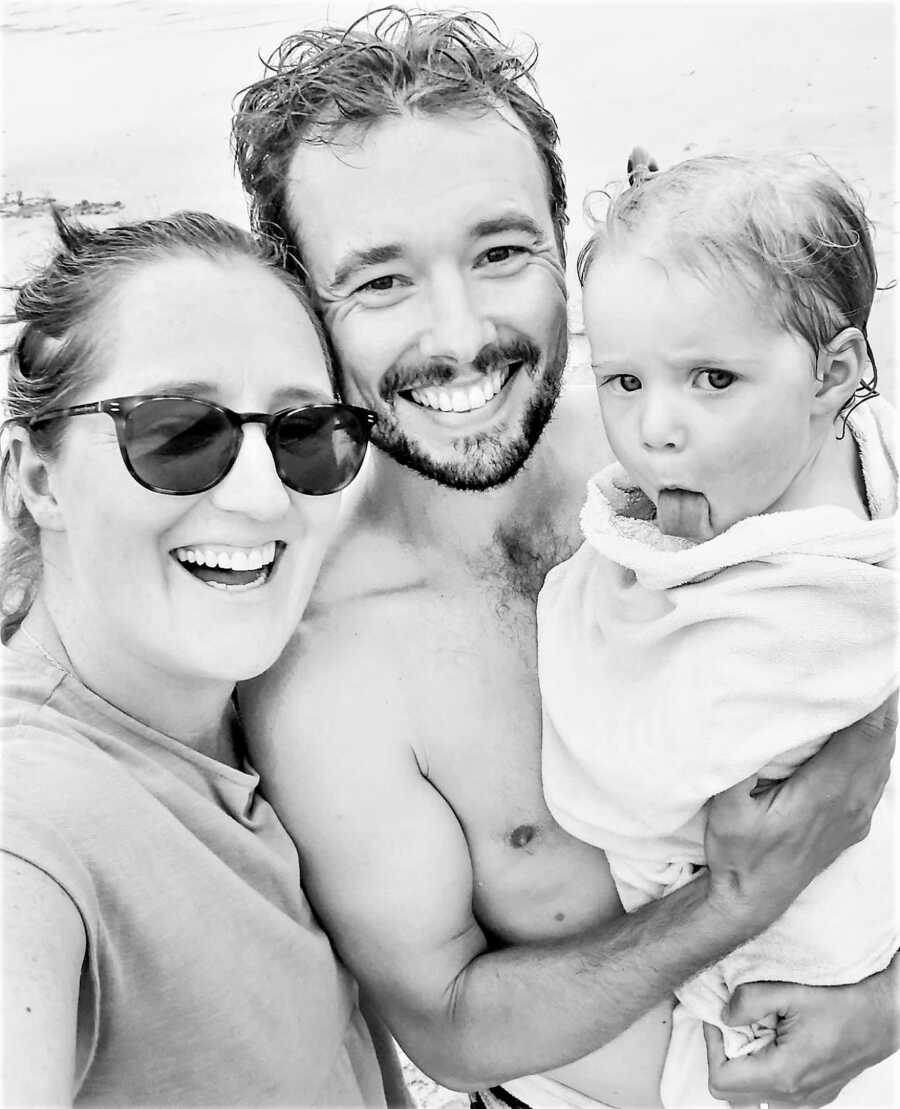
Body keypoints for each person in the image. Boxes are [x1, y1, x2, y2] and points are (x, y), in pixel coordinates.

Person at [232, 10, 899, 1107]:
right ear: (305, 306)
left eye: (501, 253)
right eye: (382, 281)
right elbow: (446, 1021)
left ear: (565, 244)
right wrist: (731, 899)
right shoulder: (323, 656)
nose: (459, 335)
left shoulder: (717, 445)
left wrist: (885, 1005)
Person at [0, 209, 404, 1107]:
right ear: (37, 478)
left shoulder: (269, 718)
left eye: (303, 434)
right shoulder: (28, 825)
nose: (262, 497)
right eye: (179, 434)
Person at [537, 153, 898, 1108]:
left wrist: (596, 586)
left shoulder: (802, 604)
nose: (655, 428)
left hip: (785, 988)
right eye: (620, 379)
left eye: (711, 377)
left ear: (835, 371)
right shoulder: (871, 452)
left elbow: (621, 784)